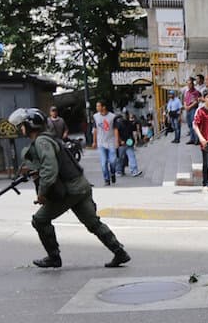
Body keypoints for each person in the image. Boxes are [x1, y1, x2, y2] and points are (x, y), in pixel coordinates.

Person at [7, 108, 130, 269]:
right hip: (81, 186)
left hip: (70, 190)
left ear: (30, 126)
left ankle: (53, 257)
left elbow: (49, 170)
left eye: (22, 125)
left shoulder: (42, 142)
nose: (21, 128)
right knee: (93, 223)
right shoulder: (50, 138)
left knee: (40, 220)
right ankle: (119, 252)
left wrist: (42, 194)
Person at [92, 101, 119, 185]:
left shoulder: (112, 117)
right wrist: (94, 141)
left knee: (113, 161)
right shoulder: (95, 117)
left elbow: (115, 129)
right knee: (103, 163)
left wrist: (117, 141)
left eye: (98, 106)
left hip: (111, 141)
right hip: (101, 142)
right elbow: (95, 130)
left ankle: (113, 172)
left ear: (103, 107)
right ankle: (106, 179)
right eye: (96, 106)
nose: (97, 108)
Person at [114, 111, 143, 177]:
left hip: (126, 142)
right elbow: (117, 133)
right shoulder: (120, 123)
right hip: (125, 142)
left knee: (127, 157)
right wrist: (119, 141)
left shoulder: (124, 123)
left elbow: (132, 132)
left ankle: (131, 171)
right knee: (123, 157)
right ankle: (121, 170)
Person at [183, 78, 201, 145]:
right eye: (187, 84)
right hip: (187, 109)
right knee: (190, 125)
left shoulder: (196, 92)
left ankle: (196, 140)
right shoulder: (187, 92)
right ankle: (192, 139)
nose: (189, 85)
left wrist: (189, 107)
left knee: (194, 125)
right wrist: (185, 106)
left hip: (193, 109)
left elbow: (196, 101)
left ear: (193, 84)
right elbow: (184, 100)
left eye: (190, 84)